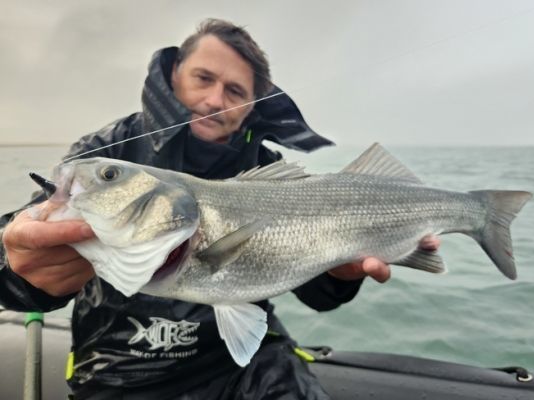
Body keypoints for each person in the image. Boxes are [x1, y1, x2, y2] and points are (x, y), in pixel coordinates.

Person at [0, 19, 439, 399]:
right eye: (203, 78)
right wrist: (21, 271)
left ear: (253, 104)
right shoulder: (108, 157)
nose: (215, 100)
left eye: (234, 90)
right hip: (119, 367)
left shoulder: (268, 168)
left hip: (245, 361)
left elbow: (314, 292)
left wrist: (338, 276)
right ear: (174, 76)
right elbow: (23, 242)